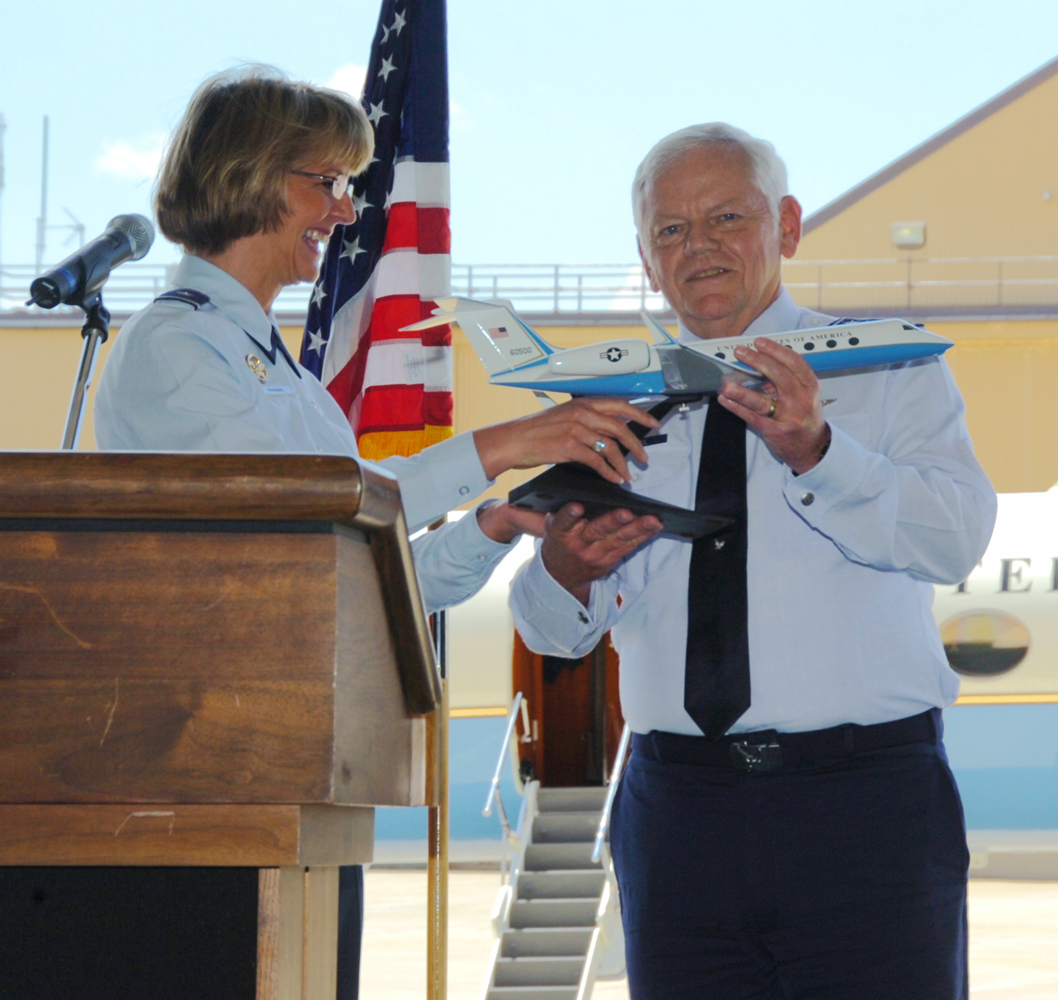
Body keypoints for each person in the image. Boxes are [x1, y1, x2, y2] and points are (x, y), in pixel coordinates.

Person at [91, 68, 657, 1000]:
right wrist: (503, 442)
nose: (347, 213)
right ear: (255, 175)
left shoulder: (283, 375)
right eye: (329, 183)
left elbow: (357, 570)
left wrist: (488, 523)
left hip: (306, 778)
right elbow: (309, 520)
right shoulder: (173, 347)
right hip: (224, 772)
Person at [509, 123, 997, 999]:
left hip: (865, 807)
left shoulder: (888, 369)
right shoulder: (612, 400)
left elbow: (954, 540)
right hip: (678, 816)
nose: (698, 246)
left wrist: (820, 451)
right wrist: (566, 573)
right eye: (670, 230)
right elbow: (553, 633)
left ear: (789, 226)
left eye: (727, 216)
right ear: (646, 258)